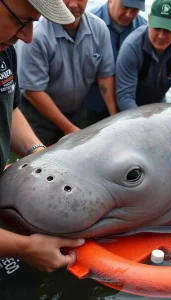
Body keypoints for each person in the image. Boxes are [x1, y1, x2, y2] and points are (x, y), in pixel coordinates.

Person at [0, 0, 86, 272]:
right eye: (23, 20)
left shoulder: (4, 50)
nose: (28, 37)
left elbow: (10, 109)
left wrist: (39, 153)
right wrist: (23, 248)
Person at [18, 0, 117, 146]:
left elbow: (104, 76)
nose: (73, 4)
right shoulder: (37, 34)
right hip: (37, 117)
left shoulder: (99, 28)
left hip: (76, 111)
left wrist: (115, 117)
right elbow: (33, 91)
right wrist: (69, 128)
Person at [116, 0, 171, 111]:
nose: (161, 36)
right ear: (149, 20)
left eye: (168, 30)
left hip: (158, 105)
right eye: (157, 28)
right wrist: (143, 125)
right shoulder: (131, 47)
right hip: (130, 110)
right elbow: (125, 97)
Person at [84, 0, 147, 125]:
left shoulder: (144, 28)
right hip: (90, 108)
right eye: (125, 7)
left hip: (129, 109)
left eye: (135, 10)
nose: (129, 14)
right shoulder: (88, 24)